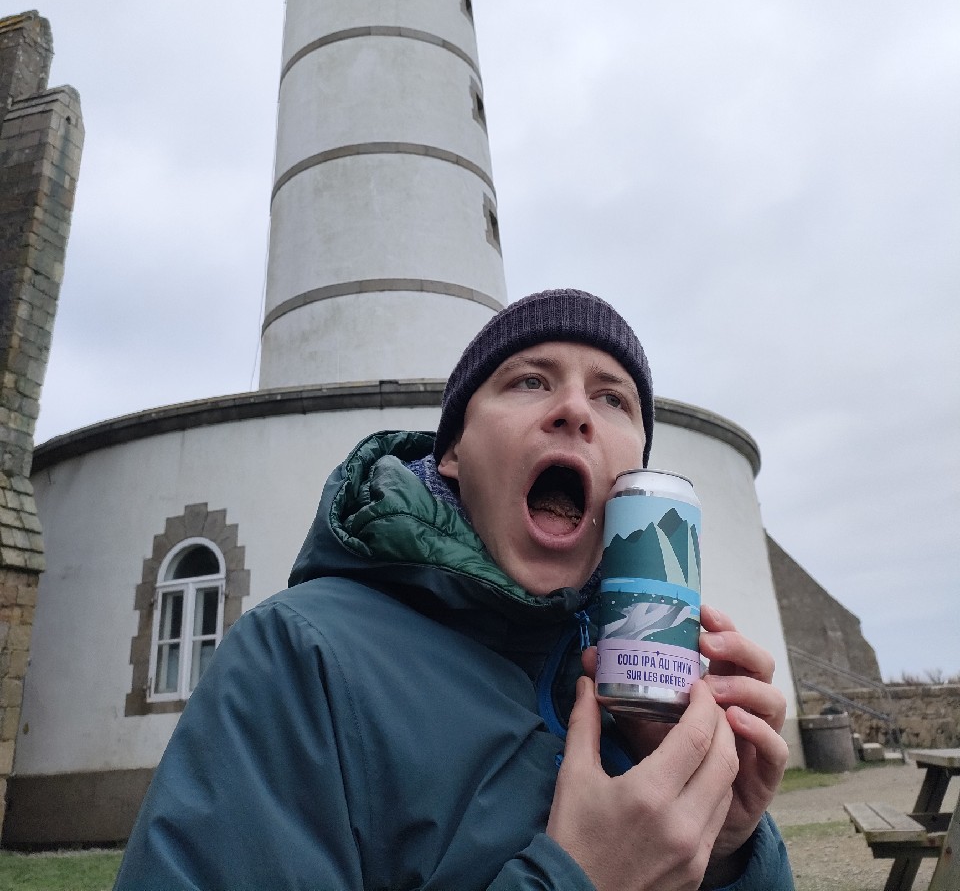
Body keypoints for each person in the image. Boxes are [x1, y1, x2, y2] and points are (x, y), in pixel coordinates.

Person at [115, 289, 794, 890]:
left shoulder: (643, 693)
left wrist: (729, 855)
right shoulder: (298, 657)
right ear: (452, 454)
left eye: (612, 397)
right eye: (529, 381)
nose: (574, 411)